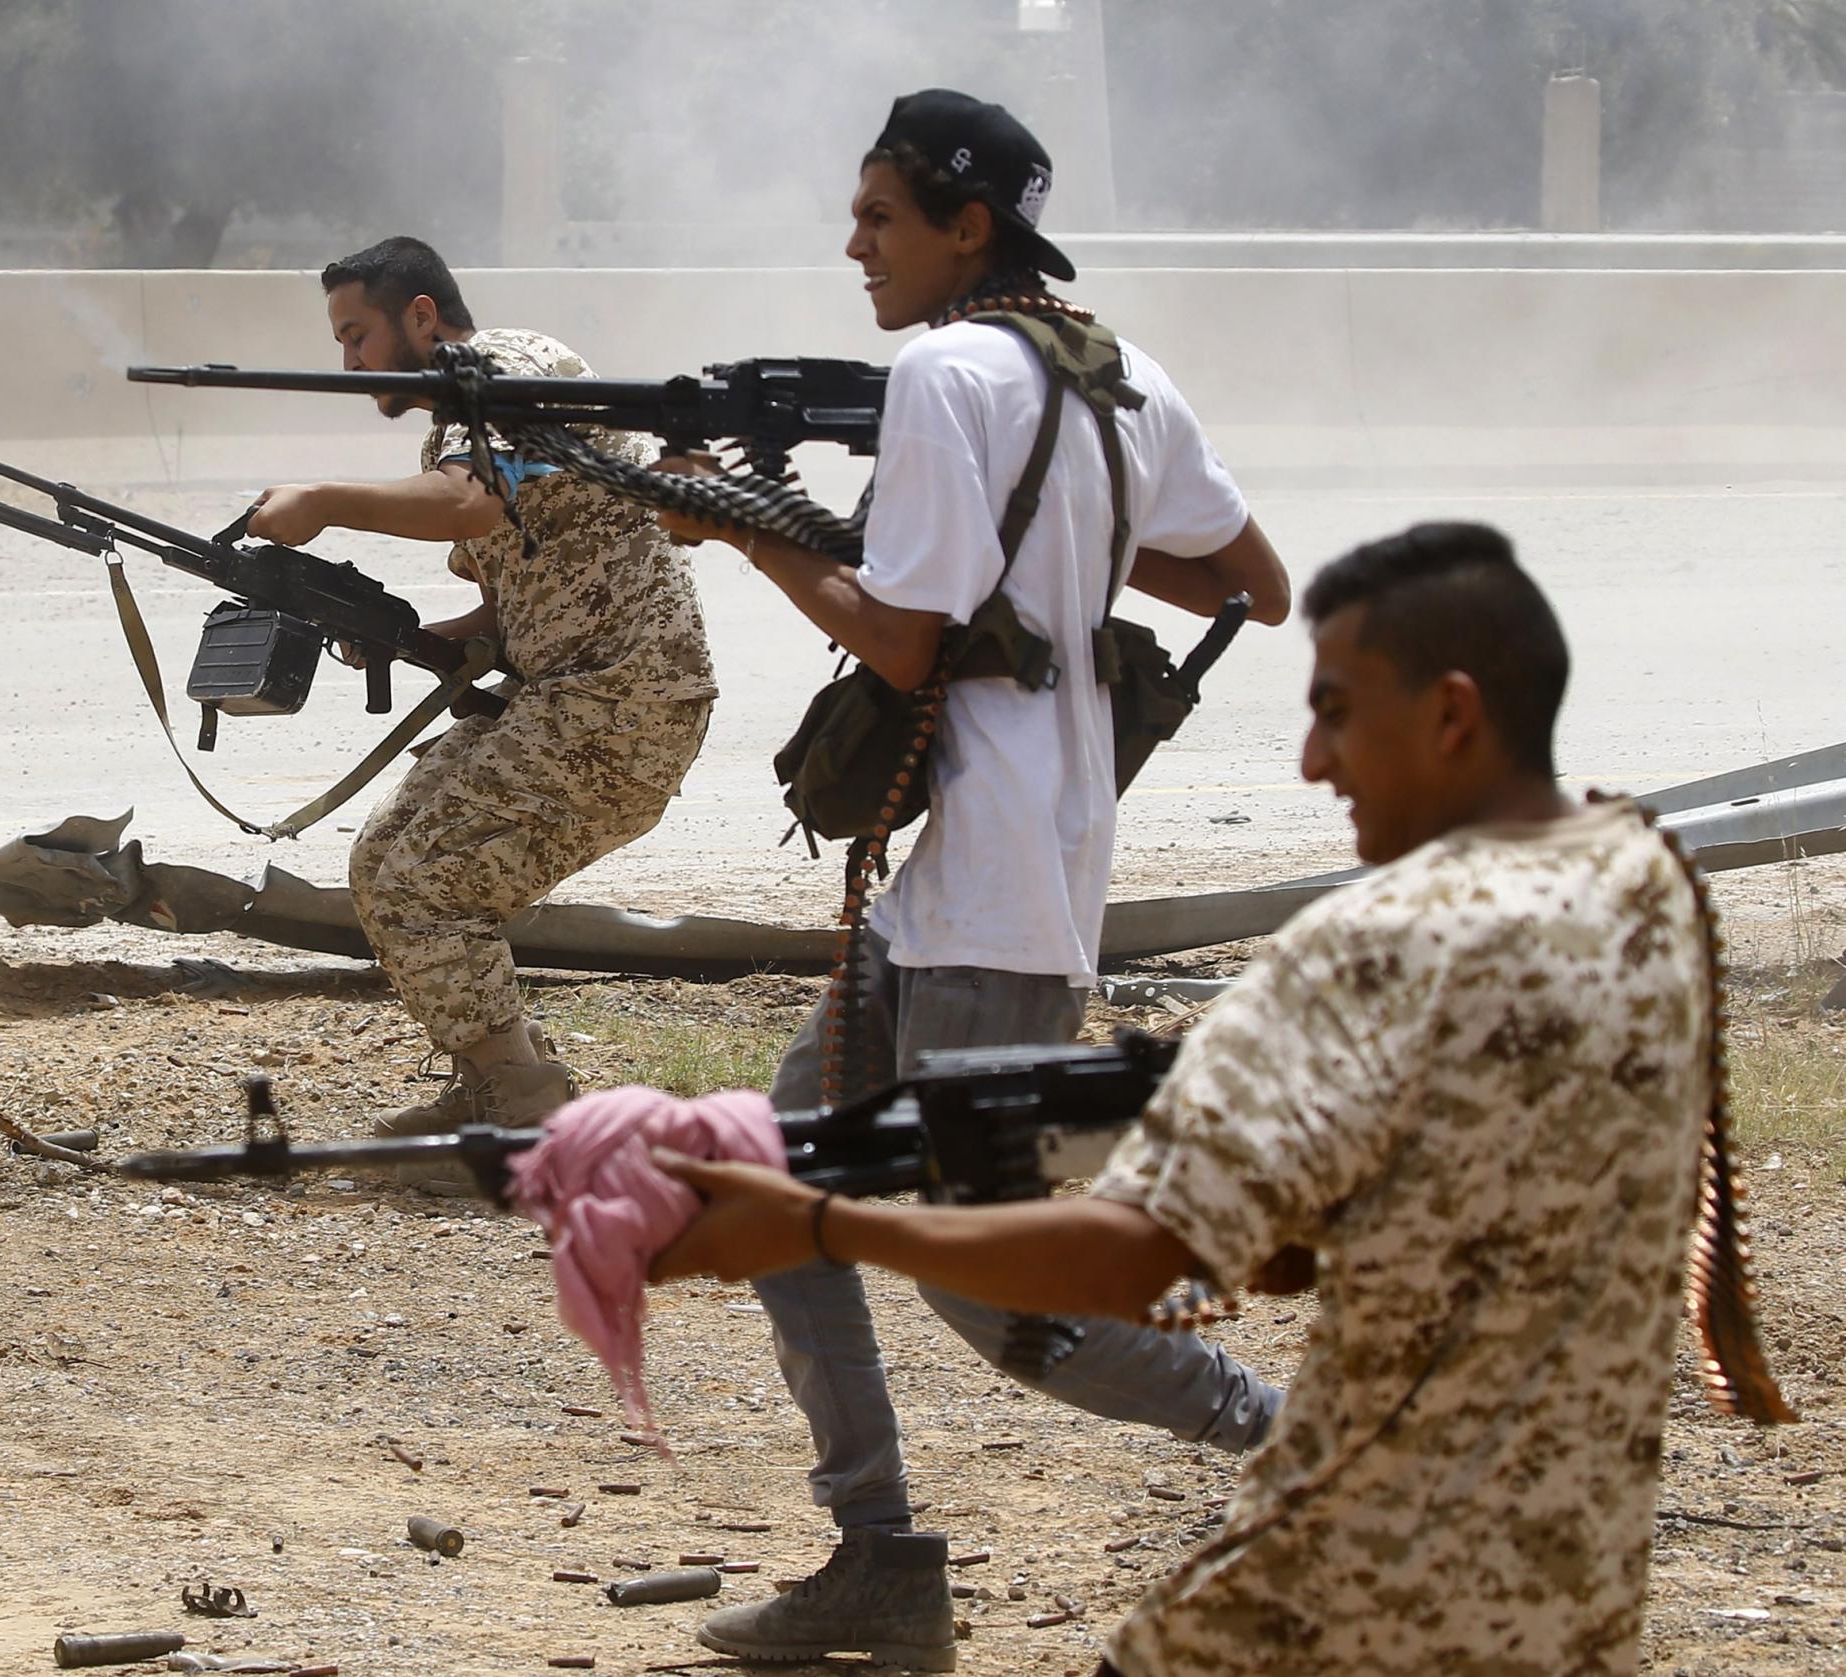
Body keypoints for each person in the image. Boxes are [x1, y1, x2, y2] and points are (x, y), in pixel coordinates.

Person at [653, 522, 1719, 1677]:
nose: (1312, 761)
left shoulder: (1371, 952)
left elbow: (1123, 1259)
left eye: (1339, 714)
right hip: (1561, 1566)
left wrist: (821, 1220)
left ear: (1452, 715)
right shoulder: (1639, 899)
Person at [650, 90, 1290, 1669]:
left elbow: (902, 635)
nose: (853, 245)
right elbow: (1254, 584)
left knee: (1001, 1299)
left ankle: (1301, 1440)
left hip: (996, 890)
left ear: (967, 228)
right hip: (995, 868)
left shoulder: (947, 368)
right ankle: (878, 1557)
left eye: (880, 218)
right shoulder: (1123, 371)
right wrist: (1078, 520)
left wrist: (735, 526)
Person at [246, 237, 716, 1165]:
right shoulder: (454, 426)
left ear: (422, 316)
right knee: (386, 862)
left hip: (622, 702)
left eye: (359, 335)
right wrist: (414, 635)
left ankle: (525, 1114)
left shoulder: (509, 371)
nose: (351, 363)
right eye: (339, 342)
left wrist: (323, 499)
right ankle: (494, 1082)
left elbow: (469, 506)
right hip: (571, 700)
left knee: (432, 882)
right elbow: (512, 606)